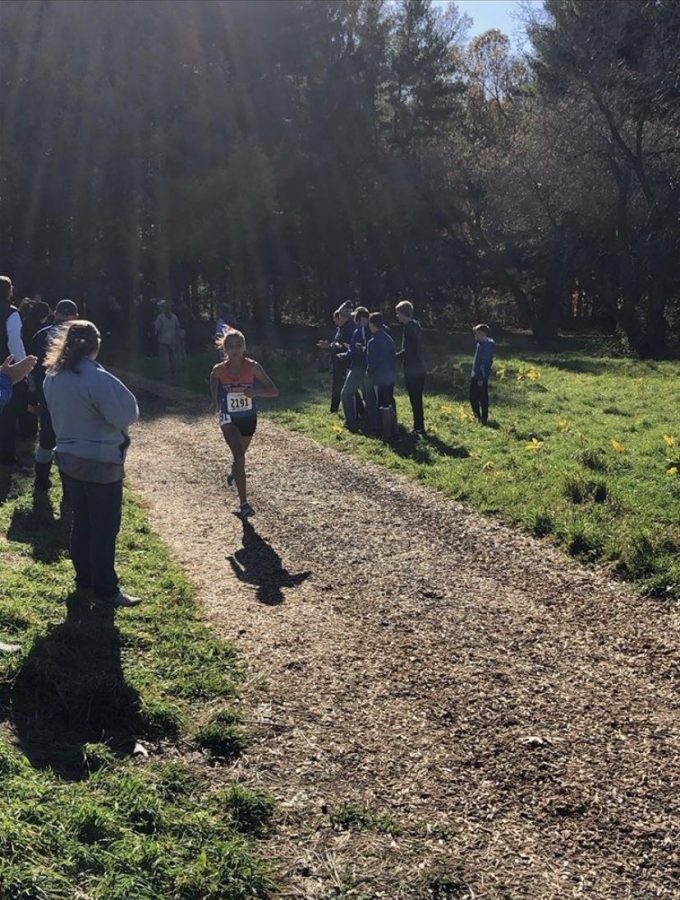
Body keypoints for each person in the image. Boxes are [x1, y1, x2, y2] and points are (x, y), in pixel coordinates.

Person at [43, 320, 141, 608]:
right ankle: (106, 588)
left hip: (68, 459)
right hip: (100, 461)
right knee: (105, 527)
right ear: (96, 344)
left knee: (82, 521)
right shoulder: (97, 379)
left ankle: (83, 578)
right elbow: (124, 415)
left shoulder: (54, 376)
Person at [210, 329, 278, 519]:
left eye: (238, 346)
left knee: (240, 457)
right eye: (230, 346)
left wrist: (255, 392)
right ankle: (244, 504)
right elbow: (213, 378)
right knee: (239, 457)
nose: (235, 350)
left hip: (248, 417)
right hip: (228, 416)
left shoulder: (253, 367)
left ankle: (234, 471)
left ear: (244, 347)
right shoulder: (219, 369)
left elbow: (274, 391)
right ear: (225, 349)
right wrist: (215, 400)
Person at [30, 299, 80, 491]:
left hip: (46, 393)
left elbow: (32, 373)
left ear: (55, 313)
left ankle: (41, 481)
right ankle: (69, 488)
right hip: (73, 397)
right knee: (70, 441)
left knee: (46, 438)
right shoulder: (81, 337)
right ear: (75, 316)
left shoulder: (40, 336)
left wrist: (32, 399)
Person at [0, 275, 29, 470]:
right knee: (7, 414)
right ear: (9, 291)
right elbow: (14, 343)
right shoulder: (11, 313)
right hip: (6, 368)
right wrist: (23, 367)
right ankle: (6, 457)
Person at [395, 300, 426, 435]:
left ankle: (418, 427)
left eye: (398, 313)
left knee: (415, 398)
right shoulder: (416, 325)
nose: (397, 316)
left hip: (412, 368)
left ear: (403, 313)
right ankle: (419, 426)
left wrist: (395, 356)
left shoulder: (408, 328)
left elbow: (408, 350)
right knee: (417, 398)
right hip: (420, 366)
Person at [365, 312, 397, 441]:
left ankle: (387, 434)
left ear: (372, 324)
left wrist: (368, 374)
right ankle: (395, 430)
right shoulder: (389, 339)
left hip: (380, 377)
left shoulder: (373, 342)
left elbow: (371, 363)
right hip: (391, 375)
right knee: (389, 403)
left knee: (382, 406)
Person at [317, 302, 354, 413]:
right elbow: (337, 343)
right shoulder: (341, 328)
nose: (337, 320)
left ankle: (355, 412)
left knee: (344, 388)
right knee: (338, 387)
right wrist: (329, 345)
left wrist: (331, 346)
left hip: (344, 362)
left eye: (339, 316)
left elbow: (345, 345)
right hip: (338, 361)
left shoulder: (349, 328)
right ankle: (334, 409)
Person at [339, 306, 370, 431]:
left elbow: (353, 351)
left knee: (346, 394)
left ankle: (351, 422)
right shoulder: (373, 329)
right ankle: (370, 420)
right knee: (367, 396)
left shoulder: (359, 331)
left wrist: (344, 355)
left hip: (357, 367)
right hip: (368, 367)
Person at [469, 323, 495, 425]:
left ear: (482, 334)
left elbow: (485, 364)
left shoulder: (486, 347)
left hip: (480, 377)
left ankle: (482, 418)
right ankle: (478, 416)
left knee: (480, 397)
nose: (475, 336)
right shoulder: (480, 344)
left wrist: (481, 378)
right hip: (475, 375)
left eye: (476, 333)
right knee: (474, 397)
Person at [154, 302, 181, 378]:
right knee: (173, 356)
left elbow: (158, 328)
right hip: (172, 339)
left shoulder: (160, 317)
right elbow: (177, 327)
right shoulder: (174, 317)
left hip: (163, 339)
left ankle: (166, 373)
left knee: (165, 357)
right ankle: (174, 371)